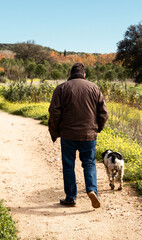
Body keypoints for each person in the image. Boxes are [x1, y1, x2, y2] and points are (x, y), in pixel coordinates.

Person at [48, 63, 109, 208]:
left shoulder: (61, 88)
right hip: (88, 135)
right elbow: (104, 113)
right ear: (84, 74)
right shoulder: (94, 88)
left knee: (68, 166)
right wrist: (97, 128)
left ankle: (70, 197)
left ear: (70, 74)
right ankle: (92, 190)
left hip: (68, 135)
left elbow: (54, 112)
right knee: (89, 163)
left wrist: (56, 131)